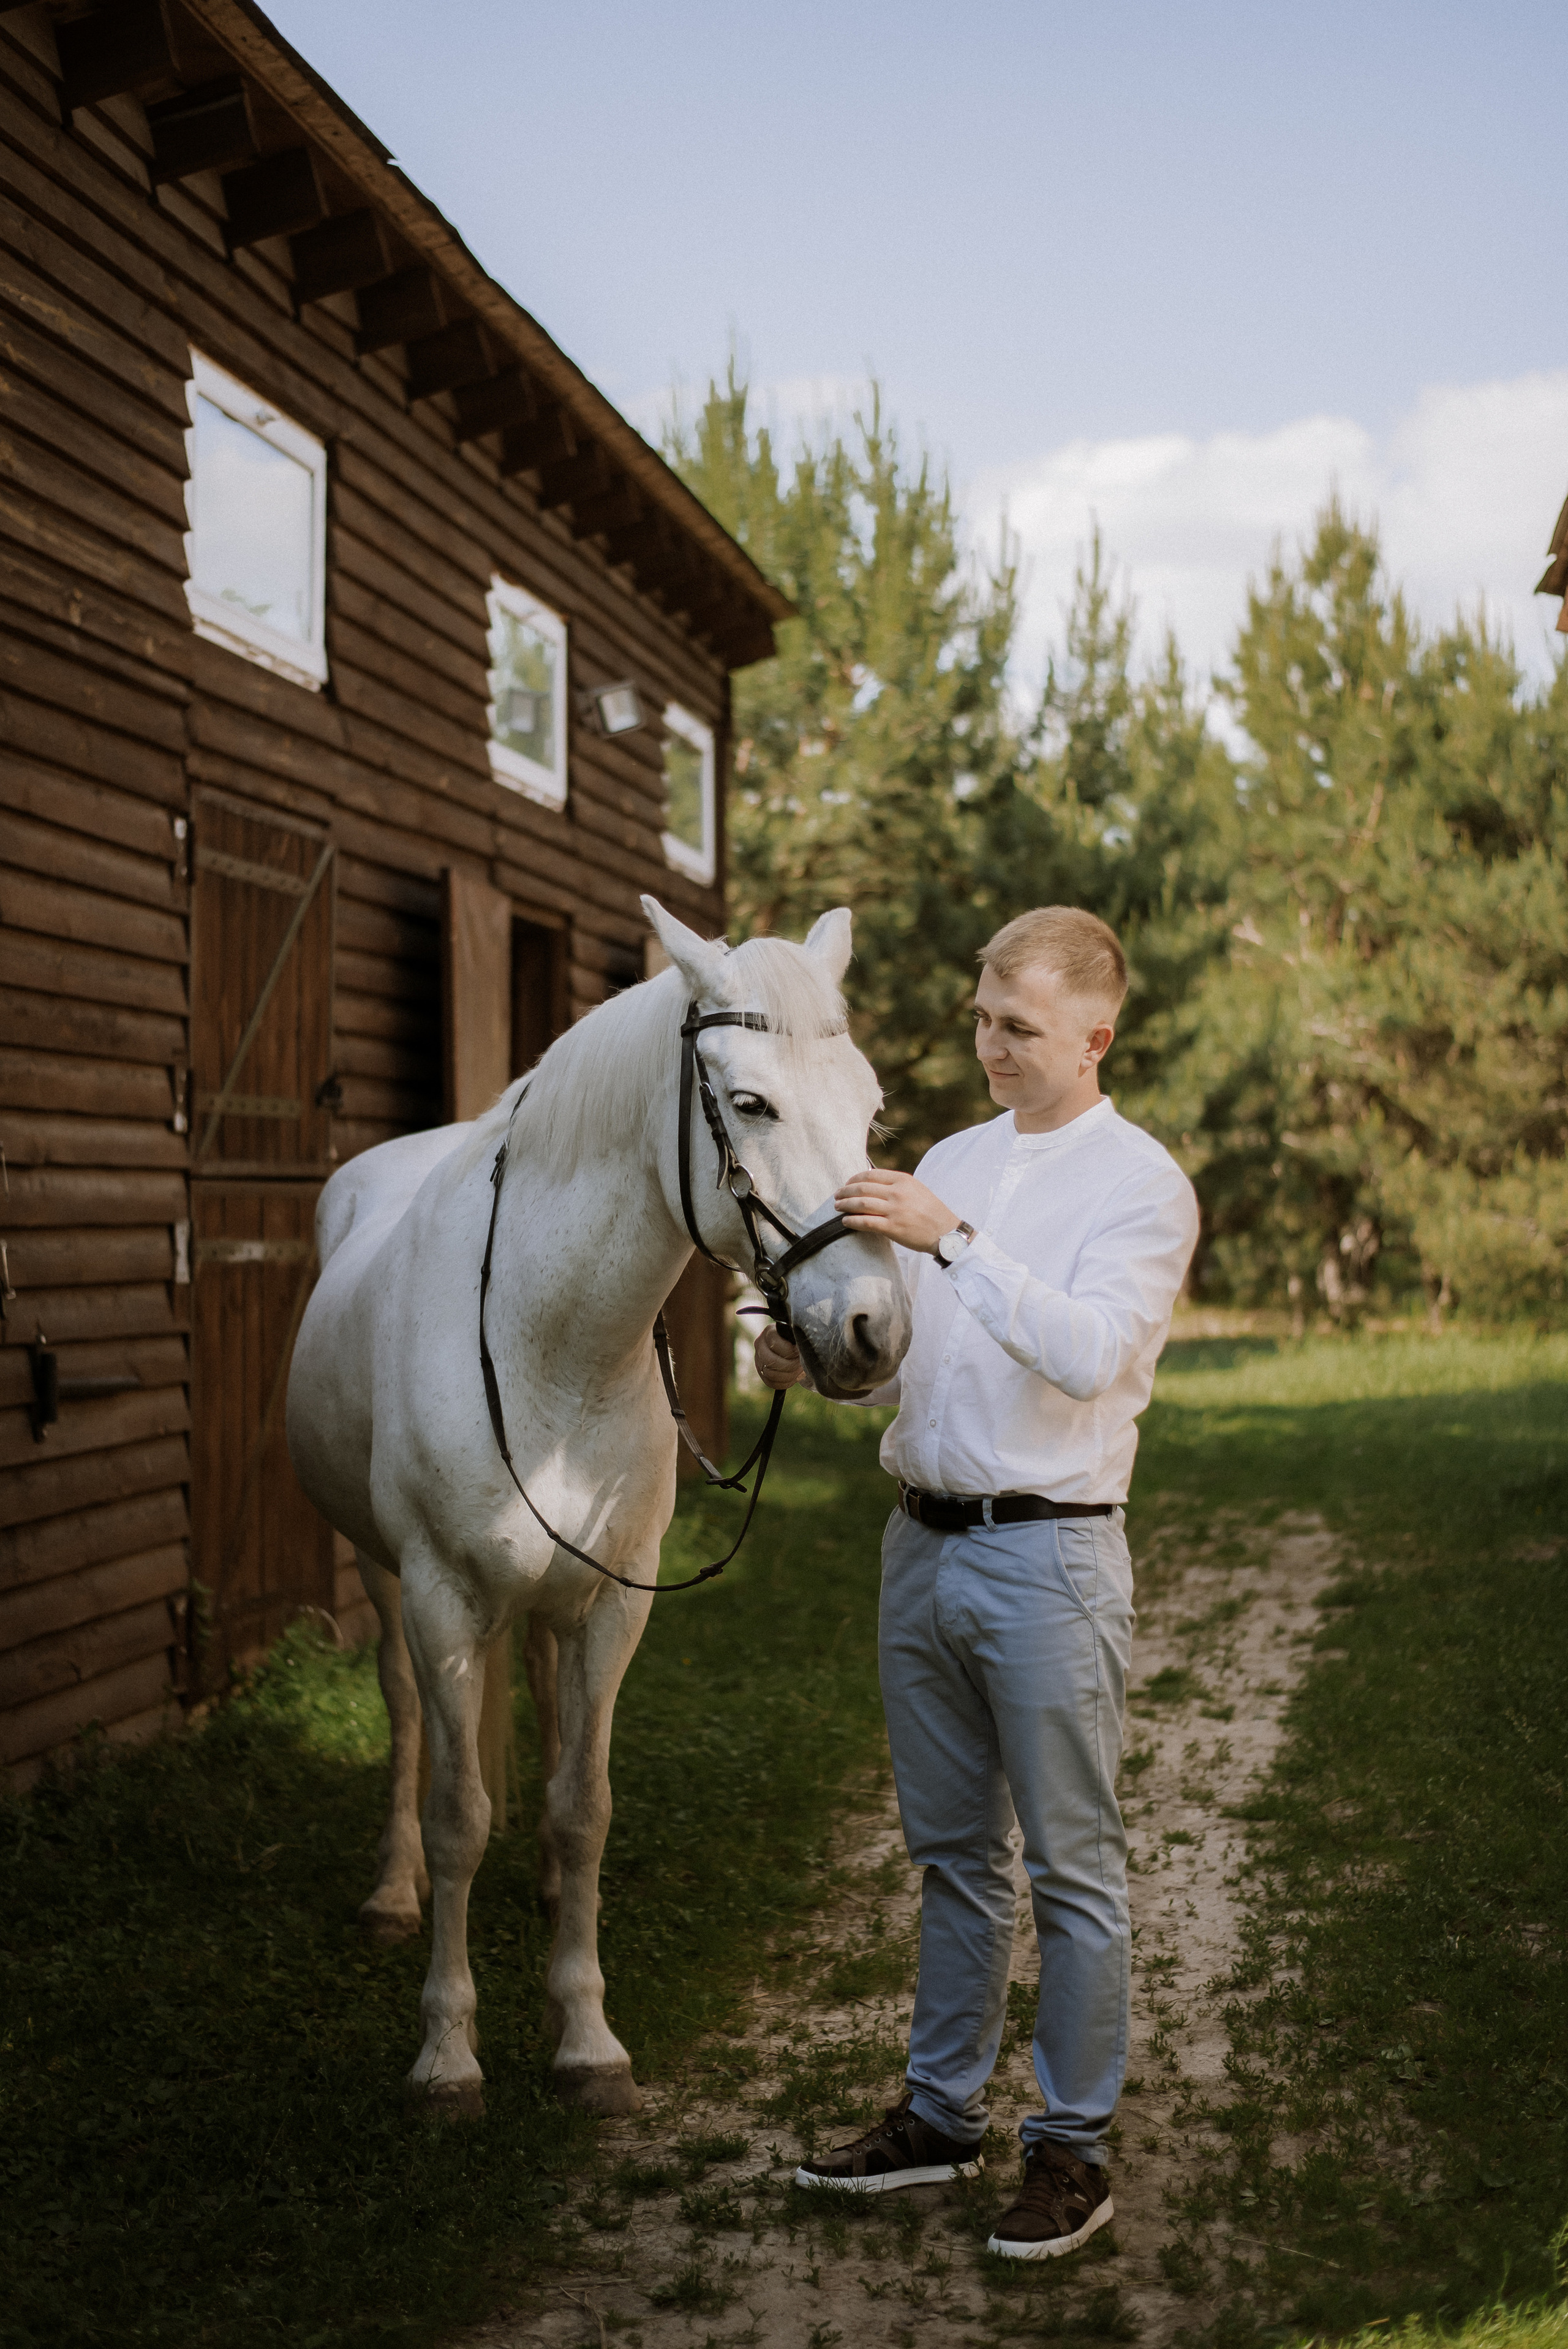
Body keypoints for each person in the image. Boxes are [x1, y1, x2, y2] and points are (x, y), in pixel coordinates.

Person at [756, 906, 1199, 2261]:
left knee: (1071, 1869)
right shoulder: (948, 1158)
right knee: (952, 1861)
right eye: (978, 1018)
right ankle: (938, 2120)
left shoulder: (1138, 1185)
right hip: (921, 1548)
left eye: (1016, 1026)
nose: (988, 1044)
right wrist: (815, 1366)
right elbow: (915, 1365)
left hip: (1049, 1558)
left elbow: (1079, 1354)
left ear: (1091, 1035)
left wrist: (950, 1241)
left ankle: (1069, 2151)